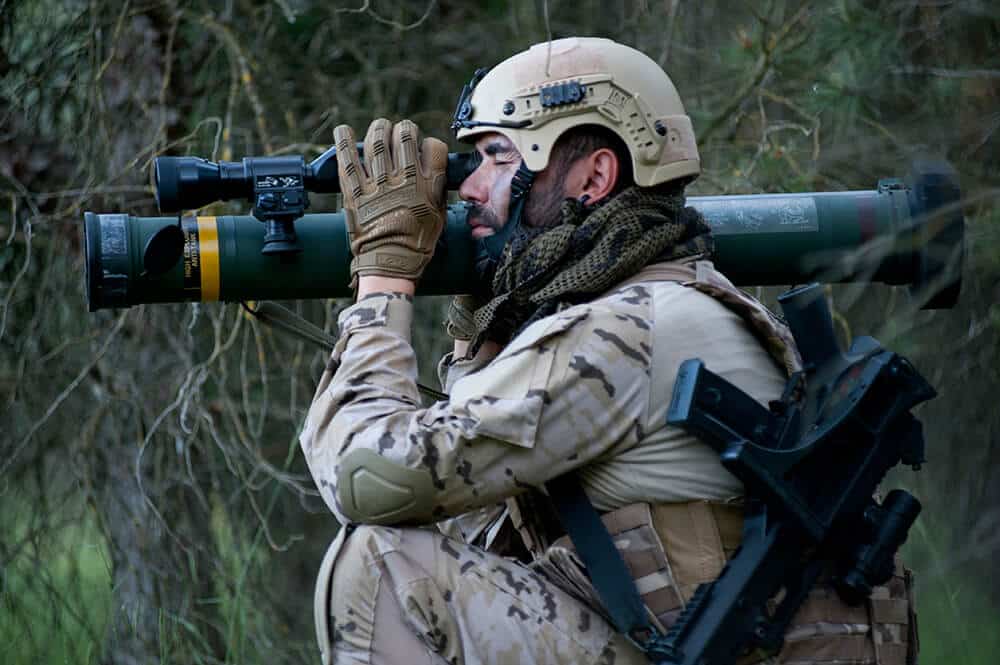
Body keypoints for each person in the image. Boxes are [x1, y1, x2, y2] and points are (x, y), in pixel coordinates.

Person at [299, 37, 917, 665]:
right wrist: (484, 327)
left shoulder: (631, 332)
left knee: (383, 569)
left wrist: (383, 279)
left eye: (496, 157)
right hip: (681, 644)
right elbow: (471, 530)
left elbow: (369, 478)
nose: (470, 189)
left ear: (594, 176)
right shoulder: (675, 302)